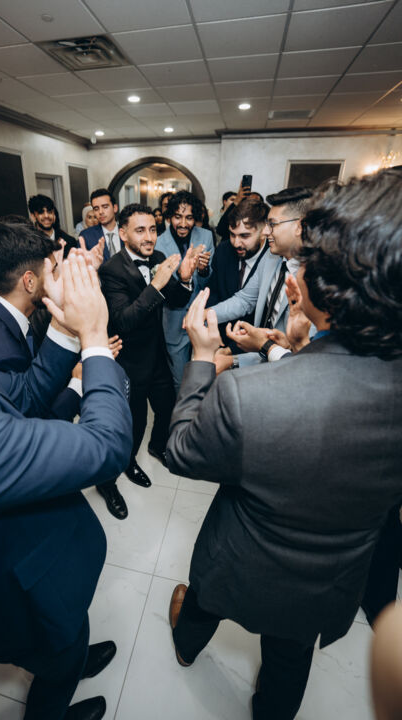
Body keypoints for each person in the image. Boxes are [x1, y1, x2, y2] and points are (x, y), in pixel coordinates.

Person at [166, 168, 402, 720]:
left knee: (201, 606)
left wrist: (200, 360)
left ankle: (185, 646)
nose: (295, 277)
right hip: (326, 583)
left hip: (238, 563)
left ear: (329, 288)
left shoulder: (248, 396)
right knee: (290, 659)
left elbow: (180, 450)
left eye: (308, 266)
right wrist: (290, 350)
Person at [0, 188, 133, 720]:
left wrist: (63, 326)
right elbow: (105, 447)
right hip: (10, 581)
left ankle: (72, 655)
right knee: (56, 659)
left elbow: (19, 398)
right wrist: (93, 337)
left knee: (67, 641)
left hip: (23, 551)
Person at [97, 203, 197, 519]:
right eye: (140, 230)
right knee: (132, 424)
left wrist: (184, 278)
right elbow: (124, 320)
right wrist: (156, 285)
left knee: (167, 408)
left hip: (156, 354)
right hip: (128, 361)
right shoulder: (112, 270)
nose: (150, 237)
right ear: (123, 233)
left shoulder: (157, 258)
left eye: (153, 229)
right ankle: (111, 478)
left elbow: (176, 300)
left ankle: (157, 446)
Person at [0, 222, 83, 420]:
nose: (59, 277)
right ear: (29, 281)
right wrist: (78, 384)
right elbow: (34, 419)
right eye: (54, 270)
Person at [210, 186, 313, 372]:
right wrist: (206, 315)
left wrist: (234, 359)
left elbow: (306, 352)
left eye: (272, 224)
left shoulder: (317, 277)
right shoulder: (271, 256)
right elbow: (245, 299)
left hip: (292, 370)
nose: (265, 232)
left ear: (299, 226)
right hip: (264, 359)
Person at [156, 190, 214, 390]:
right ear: (169, 217)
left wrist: (203, 270)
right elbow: (164, 288)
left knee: (203, 375)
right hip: (174, 320)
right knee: (180, 381)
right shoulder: (159, 243)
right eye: (177, 217)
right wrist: (184, 275)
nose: (183, 223)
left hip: (201, 318)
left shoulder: (205, 236)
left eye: (188, 218)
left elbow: (208, 282)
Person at [207, 196, 268, 349]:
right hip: (222, 337)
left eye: (244, 236)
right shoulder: (223, 250)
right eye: (232, 234)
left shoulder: (273, 257)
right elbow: (214, 292)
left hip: (256, 345)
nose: (236, 243)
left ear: (263, 231)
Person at [80, 189, 119, 264]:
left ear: (115, 208)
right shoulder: (86, 236)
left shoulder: (127, 232)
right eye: (96, 209)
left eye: (105, 207)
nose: (100, 212)